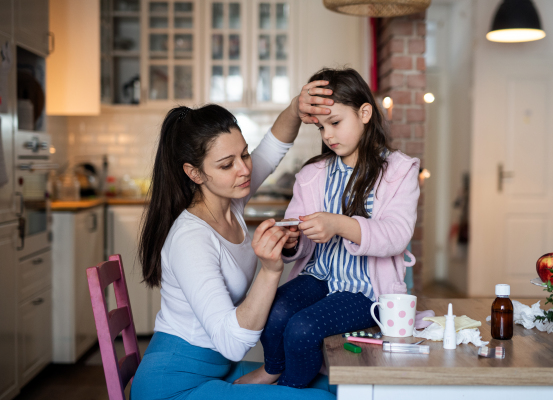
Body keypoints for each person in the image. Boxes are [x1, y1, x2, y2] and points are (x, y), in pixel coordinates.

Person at [130, 81, 339, 400]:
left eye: (243, 154)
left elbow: (272, 148)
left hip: (217, 371)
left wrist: (299, 105)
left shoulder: (230, 200)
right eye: (227, 164)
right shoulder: (191, 239)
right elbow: (231, 341)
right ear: (195, 173)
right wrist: (270, 271)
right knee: (323, 398)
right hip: (174, 386)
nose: (244, 169)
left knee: (336, 384)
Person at [236, 67, 422, 388]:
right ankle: (273, 368)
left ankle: (292, 388)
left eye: (335, 123)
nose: (328, 136)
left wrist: (339, 224)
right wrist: (293, 240)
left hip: (365, 290)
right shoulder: (314, 173)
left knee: (302, 329)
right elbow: (301, 244)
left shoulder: (399, 170)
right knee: (275, 312)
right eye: (322, 127)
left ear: (364, 113)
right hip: (318, 276)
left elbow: (396, 235)